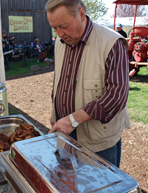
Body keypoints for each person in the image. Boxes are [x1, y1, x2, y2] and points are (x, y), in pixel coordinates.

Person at [46, 0, 130, 168]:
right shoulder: (60, 42)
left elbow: (117, 96)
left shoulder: (112, 43)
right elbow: (59, 80)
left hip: (98, 142)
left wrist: (73, 119)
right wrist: (56, 110)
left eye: (63, 26)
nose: (60, 33)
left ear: (81, 14)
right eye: (54, 28)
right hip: (65, 134)